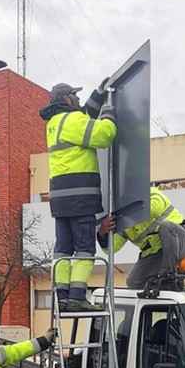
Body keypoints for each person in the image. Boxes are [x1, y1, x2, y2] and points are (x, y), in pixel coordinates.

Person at [39, 80, 118, 311]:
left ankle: (62, 297)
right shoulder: (73, 120)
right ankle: (76, 296)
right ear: (67, 99)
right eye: (75, 95)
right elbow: (104, 135)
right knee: (85, 248)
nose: (78, 99)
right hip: (80, 197)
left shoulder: (55, 123)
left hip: (61, 200)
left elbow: (85, 114)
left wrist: (99, 94)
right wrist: (109, 113)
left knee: (63, 248)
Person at [97, 186, 185, 291]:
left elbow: (154, 208)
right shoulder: (123, 221)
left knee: (165, 226)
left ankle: (169, 277)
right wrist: (102, 233)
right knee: (133, 282)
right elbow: (112, 248)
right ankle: (167, 287)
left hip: (181, 241)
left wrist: (127, 214)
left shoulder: (150, 193)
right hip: (157, 253)